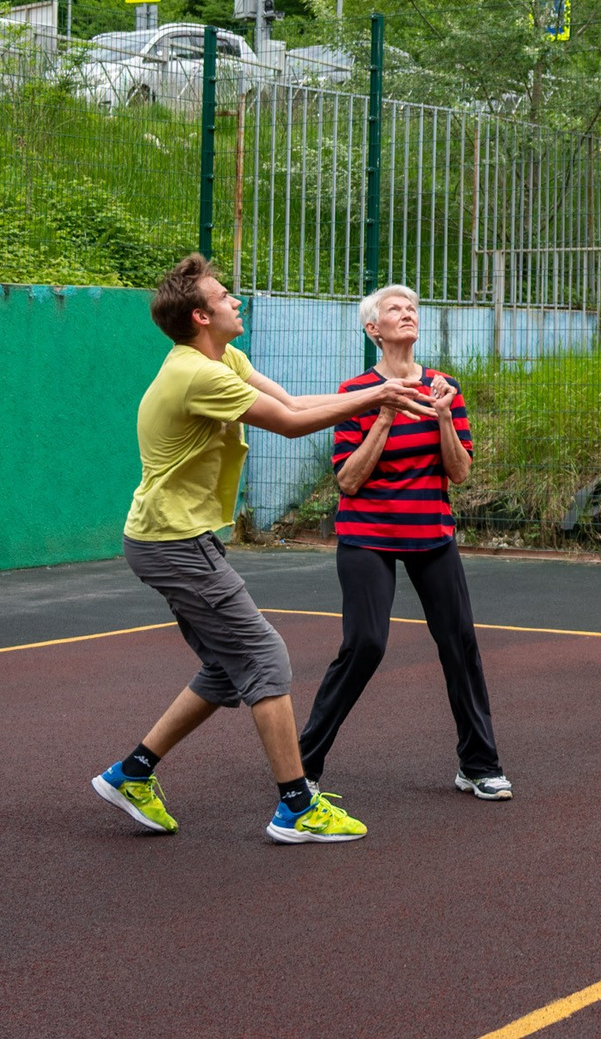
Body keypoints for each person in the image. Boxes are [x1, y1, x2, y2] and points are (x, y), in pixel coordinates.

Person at [92, 254, 421, 844]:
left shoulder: (226, 358)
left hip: (177, 537)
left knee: (226, 668)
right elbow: (290, 427)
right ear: (200, 315)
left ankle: (132, 774)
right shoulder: (199, 374)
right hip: (170, 542)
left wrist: (383, 394)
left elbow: (294, 404)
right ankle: (296, 806)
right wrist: (382, 398)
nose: (235, 301)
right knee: (266, 659)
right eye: (224, 296)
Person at [294, 284, 508, 801]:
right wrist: (386, 412)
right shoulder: (356, 393)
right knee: (365, 644)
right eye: (395, 308)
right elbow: (348, 480)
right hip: (367, 535)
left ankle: (478, 765)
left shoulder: (444, 388)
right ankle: (302, 764)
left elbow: (459, 473)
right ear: (374, 329)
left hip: (430, 532)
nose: (408, 313)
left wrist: (440, 416)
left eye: (412, 308)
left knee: (459, 643)